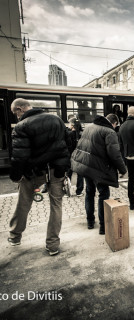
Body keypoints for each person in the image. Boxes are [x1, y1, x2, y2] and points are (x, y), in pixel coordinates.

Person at [8, 98, 70, 256]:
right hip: (56, 170)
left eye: (15, 113)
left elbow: (19, 157)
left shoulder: (21, 126)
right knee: (56, 206)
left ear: (20, 110)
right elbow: (69, 143)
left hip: (35, 172)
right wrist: (64, 166)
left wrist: (16, 175)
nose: (16, 117)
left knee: (24, 202)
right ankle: (53, 245)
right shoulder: (56, 119)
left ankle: (15, 236)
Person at [71, 113, 126, 235]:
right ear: (114, 123)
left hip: (86, 166)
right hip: (100, 170)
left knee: (89, 193)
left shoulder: (90, 127)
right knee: (103, 194)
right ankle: (103, 226)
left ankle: (90, 222)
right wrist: (123, 169)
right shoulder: (109, 132)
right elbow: (115, 155)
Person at [66, 117, 84, 196]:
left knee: (68, 174)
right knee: (80, 174)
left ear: (72, 125)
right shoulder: (82, 134)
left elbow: (67, 147)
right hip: (80, 157)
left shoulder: (68, 134)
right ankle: (79, 191)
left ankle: (68, 191)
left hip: (70, 157)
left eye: (69, 123)